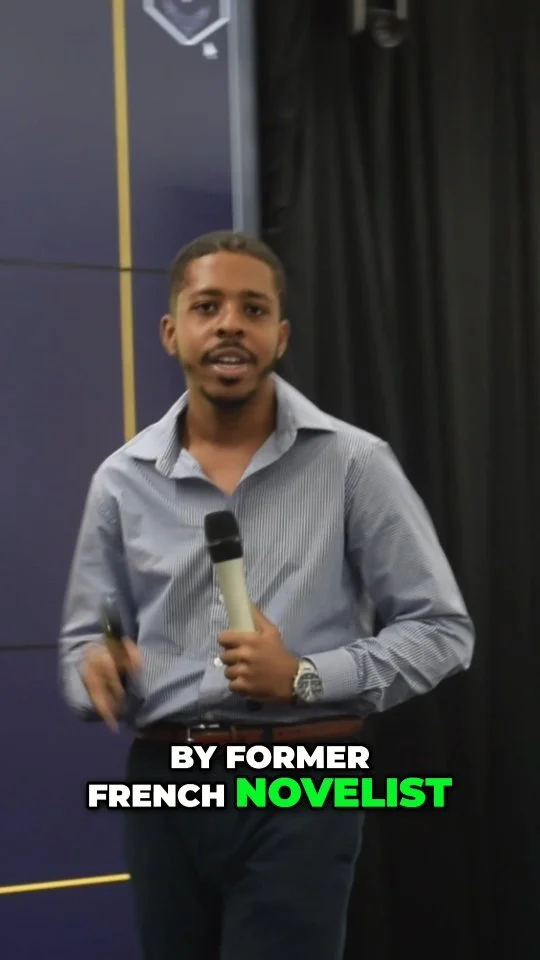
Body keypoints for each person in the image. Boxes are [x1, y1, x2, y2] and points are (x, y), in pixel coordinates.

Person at [58, 230, 474, 960]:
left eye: (253, 309)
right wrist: (95, 671)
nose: (230, 325)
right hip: (166, 779)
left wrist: (306, 676)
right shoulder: (121, 481)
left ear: (279, 337)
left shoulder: (355, 464)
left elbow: (442, 631)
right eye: (207, 306)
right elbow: (82, 644)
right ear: (172, 332)